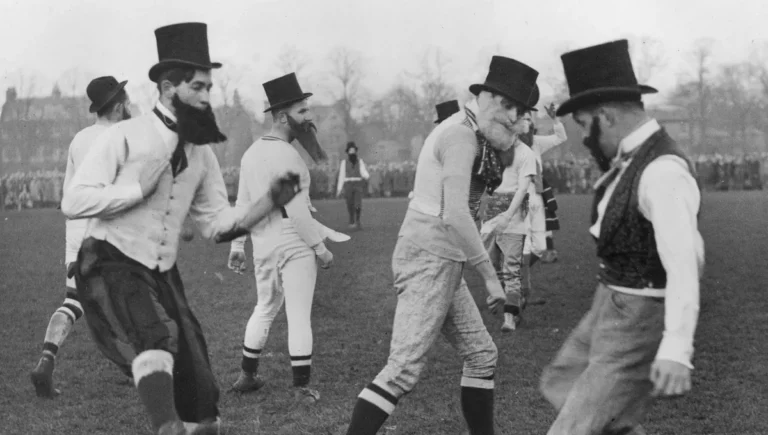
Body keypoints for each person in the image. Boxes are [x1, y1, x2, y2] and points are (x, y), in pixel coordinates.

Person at [61, 22, 302, 435]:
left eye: (210, 87)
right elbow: (74, 201)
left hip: (162, 272)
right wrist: (138, 188)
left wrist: (266, 203)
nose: (208, 97)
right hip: (112, 261)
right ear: (169, 88)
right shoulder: (125, 136)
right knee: (156, 338)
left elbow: (214, 225)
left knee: (203, 396)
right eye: (199, 87)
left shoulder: (202, 153)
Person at [343, 56, 539, 435]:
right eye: (512, 108)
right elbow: (454, 215)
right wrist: (491, 277)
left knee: (482, 357)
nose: (516, 120)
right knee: (402, 370)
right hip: (429, 257)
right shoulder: (460, 136)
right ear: (492, 99)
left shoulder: (469, 130)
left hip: (442, 258)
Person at [539, 39, 704, 435]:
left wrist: (677, 348)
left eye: (582, 124)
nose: (584, 137)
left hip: (639, 313)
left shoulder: (661, 171)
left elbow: (685, 262)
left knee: (572, 428)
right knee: (561, 383)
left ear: (606, 116)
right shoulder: (630, 160)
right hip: (609, 301)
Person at [227, 72, 348, 402]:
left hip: (263, 241)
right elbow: (296, 210)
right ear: (282, 116)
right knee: (298, 315)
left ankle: (247, 376)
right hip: (293, 238)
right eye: (303, 111)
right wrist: (320, 248)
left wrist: (238, 245)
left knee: (264, 307)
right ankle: (301, 389)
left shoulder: (251, 154)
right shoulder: (288, 155)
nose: (310, 118)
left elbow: (241, 204)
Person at [30, 76, 134, 398]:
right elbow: (122, 195)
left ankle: (46, 360)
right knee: (135, 295)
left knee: (74, 300)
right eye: (126, 101)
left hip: (77, 230)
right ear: (117, 106)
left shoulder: (79, 139)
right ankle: (143, 367)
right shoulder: (123, 138)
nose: (129, 106)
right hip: (107, 231)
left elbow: (69, 195)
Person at [336, 141, 370, 229]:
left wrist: (366, 176)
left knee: (358, 203)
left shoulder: (360, 161)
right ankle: (351, 220)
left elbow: (363, 171)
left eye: (353, 150)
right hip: (348, 184)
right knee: (350, 203)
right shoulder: (344, 162)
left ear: (355, 151)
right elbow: (341, 176)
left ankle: (358, 221)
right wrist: (339, 189)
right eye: (350, 151)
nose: (352, 152)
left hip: (357, 184)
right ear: (348, 152)